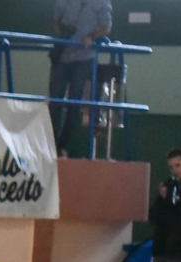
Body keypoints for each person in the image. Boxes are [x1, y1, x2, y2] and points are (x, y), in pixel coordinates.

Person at [48, 0, 112, 156]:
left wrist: (92, 36)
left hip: (84, 59)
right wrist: (61, 32)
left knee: (74, 104)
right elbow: (56, 21)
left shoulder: (102, 2)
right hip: (62, 55)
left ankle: (61, 146)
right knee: (54, 103)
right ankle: (51, 145)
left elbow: (106, 27)